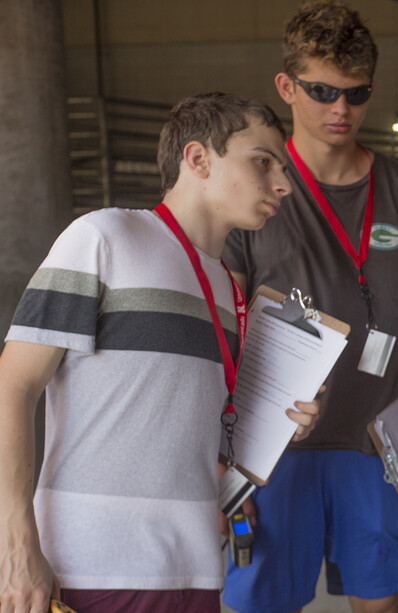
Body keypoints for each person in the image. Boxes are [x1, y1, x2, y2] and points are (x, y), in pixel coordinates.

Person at [0, 92, 320, 613]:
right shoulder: (102, 237)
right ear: (197, 160)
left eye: (282, 168)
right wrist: (16, 544)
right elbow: (12, 387)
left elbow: (188, 426)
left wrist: (283, 418)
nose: (282, 183)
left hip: (194, 567)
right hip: (91, 565)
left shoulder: (228, 290)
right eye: (263, 162)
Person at [220, 2, 398, 613]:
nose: (340, 110)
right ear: (286, 87)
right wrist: (224, 456)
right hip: (274, 448)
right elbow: (227, 330)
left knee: (379, 600)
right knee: (262, 602)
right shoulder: (254, 200)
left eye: (356, 94)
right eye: (322, 91)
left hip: (377, 441)